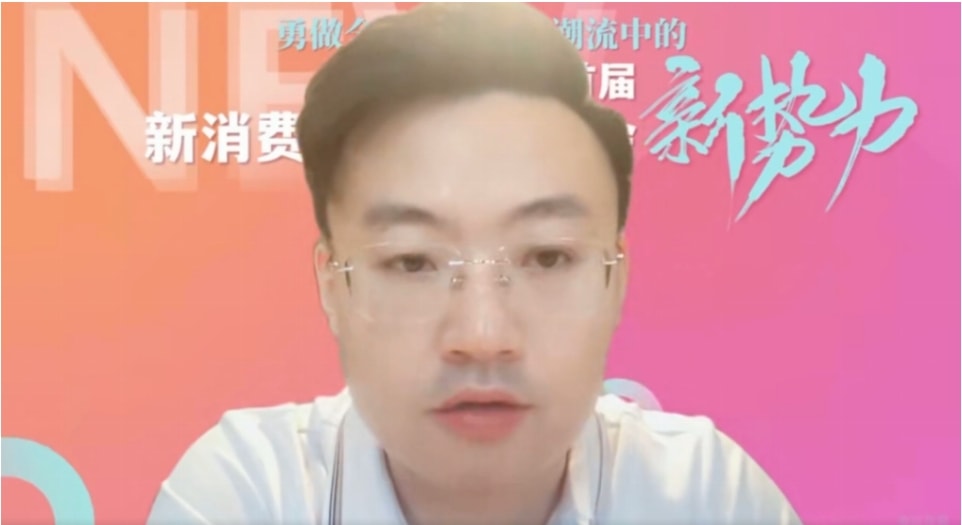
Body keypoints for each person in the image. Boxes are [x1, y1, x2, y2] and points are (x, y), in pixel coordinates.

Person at [147, 3, 801, 524]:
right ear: (330, 285)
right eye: (412, 262)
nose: (483, 336)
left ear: (615, 279)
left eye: (547, 255)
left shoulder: (704, 496)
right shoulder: (252, 491)